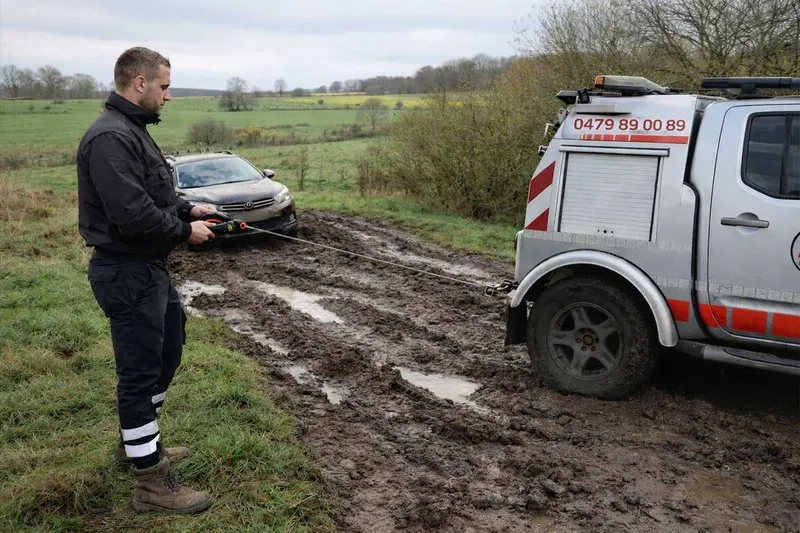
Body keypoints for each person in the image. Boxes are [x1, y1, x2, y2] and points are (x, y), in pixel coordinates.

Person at [77, 46, 217, 514]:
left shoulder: (131, 131)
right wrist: (184, 230)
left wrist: (186, 208)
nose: (168, 96)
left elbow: (151, 194)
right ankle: (151, 484)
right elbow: (132, 214)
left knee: (169, 351)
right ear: (139, 83)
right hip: (126, 270)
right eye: (164, 86)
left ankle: (139, 445)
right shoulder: (110, 138)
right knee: (138, 377)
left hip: (149, 269)